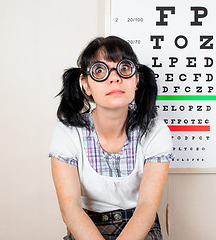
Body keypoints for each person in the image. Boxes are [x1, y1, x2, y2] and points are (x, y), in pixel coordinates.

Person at [49, 36, 173, 240]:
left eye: (124, 69)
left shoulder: (155, 131)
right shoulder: (68, 132)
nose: (114, 78)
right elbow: (70, 208)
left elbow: (147, 206)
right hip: (86, 230)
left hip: (140, 230)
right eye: (100, 71)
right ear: (85, 84)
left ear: (137, 80)